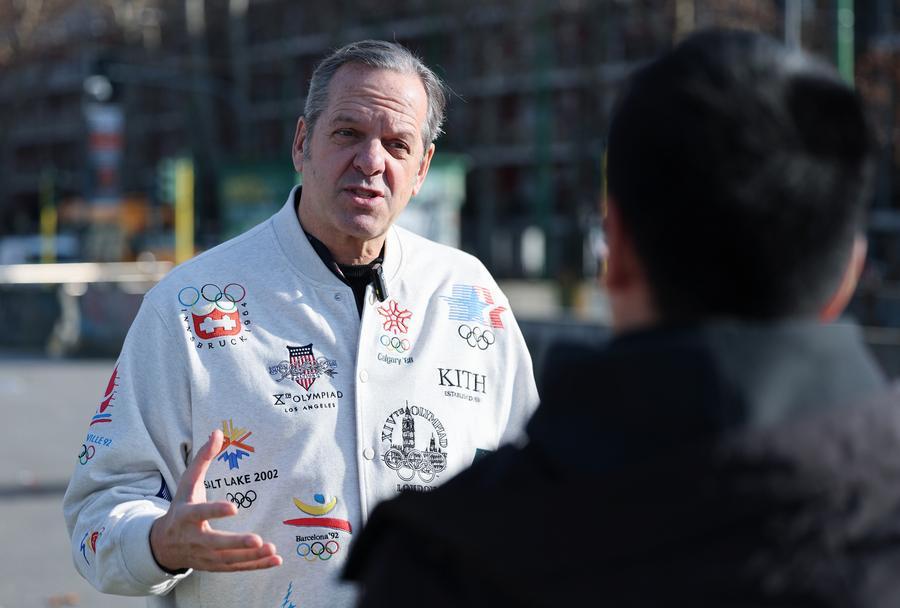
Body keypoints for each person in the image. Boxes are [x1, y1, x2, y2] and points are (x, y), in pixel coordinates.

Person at [344, 30, 900, 607]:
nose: (371, 160)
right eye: (348, 133)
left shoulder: (446, 561)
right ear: (848, 274)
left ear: (616, 255)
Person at [63, 40, 539, 608]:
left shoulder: (469, 293)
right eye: (347, 133)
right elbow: (98, 513)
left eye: (397, 144)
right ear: (301, 143)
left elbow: (535, 490)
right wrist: (161, 541)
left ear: (422, 169)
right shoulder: (187, 308)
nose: (370, 161)